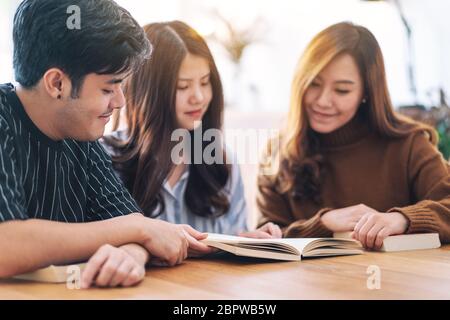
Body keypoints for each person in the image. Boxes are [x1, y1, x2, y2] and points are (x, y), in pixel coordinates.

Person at [0, 0, 208, 289]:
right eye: (109, 88)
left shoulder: (81, 137)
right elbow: (5, 245)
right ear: (57, 83)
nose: (120, 102)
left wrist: (131, 254)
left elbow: (131, 226)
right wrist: (136, 230)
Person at [257, 22, 450, 250]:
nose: (322, 101)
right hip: (306, 284)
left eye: (342, 90)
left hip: (393, 283)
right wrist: (324, 223)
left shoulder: (408, 145)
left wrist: (403, 219)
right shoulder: (278, 151)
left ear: (366, 92)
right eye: (314, 84)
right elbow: (267, 236)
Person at [101, 21, 282, 247]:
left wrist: (245, 240)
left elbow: (234, 239)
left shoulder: (222, 163)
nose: (199, 97)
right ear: (148, 92)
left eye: (205, 83)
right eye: (183, 86)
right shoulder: (104, 159)